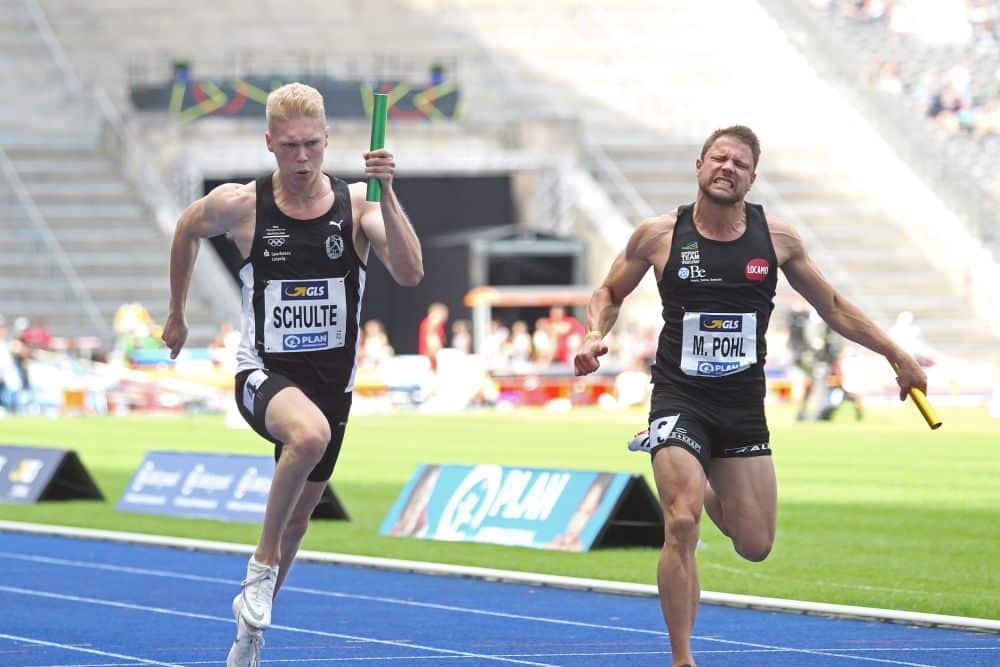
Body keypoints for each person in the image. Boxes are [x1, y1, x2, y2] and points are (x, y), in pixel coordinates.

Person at [573, 125, 926, 667]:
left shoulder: (777, 240)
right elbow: (609, 292)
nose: (727, 168)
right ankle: (683, 658)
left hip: (741, 408)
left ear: (752, 178)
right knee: (682, 521)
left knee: (754, 543)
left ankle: (708, 481)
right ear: (699, 165)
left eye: (740, 163)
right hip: (678, 397)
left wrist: (896, 354)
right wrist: (596, 335)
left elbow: (832, 305)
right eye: (719, 158)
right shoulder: (659, 236)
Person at [160, 82, 423, 667]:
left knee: (301, 520)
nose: (301, 160)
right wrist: (176, 313)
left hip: (334, 386)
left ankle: (249, 636)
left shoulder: (359, 205)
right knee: (308, 435)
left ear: (327, 140)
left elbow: (409, 272)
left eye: (311, 146)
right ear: (269, 144)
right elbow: (185, 228)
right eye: (288, 148)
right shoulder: (243, 205)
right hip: (264, 378)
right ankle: (259, 564)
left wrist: (389, 193)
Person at [417, 302, 448, 368]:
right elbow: (432, 343)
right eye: (443, 313)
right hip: (430, 358)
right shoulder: (432, 322)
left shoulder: (437, 324)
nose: (445, 316)